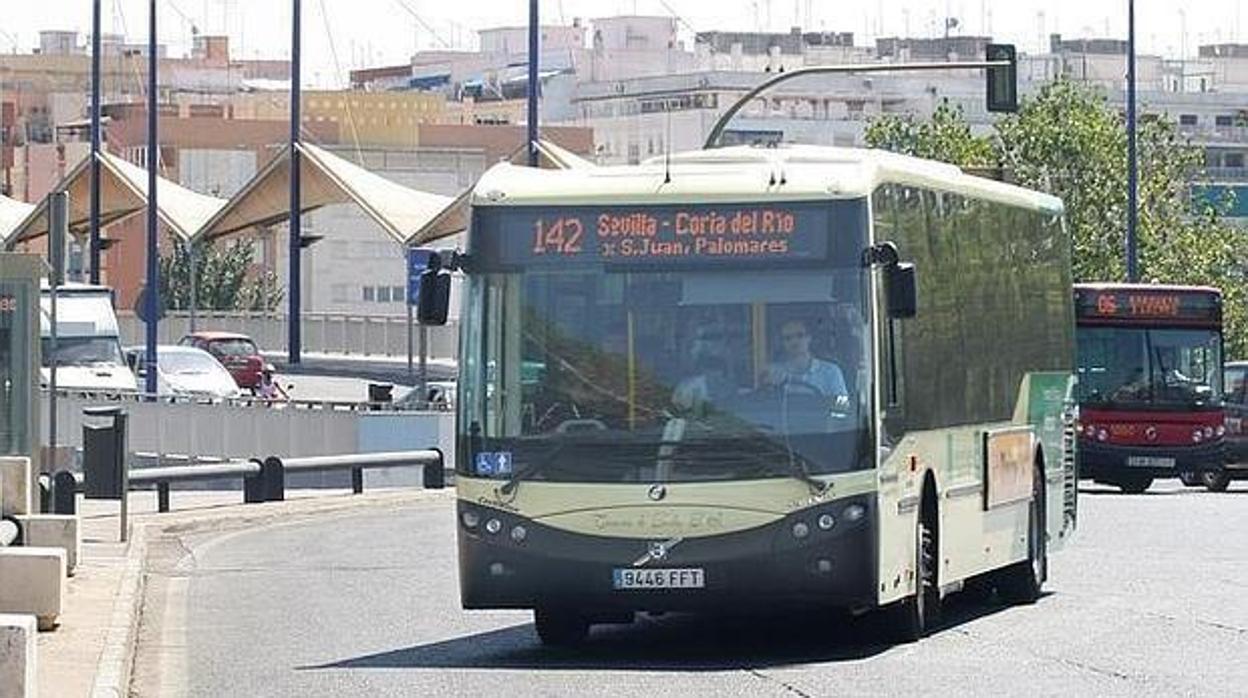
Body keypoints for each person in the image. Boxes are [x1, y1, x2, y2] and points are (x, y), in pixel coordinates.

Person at [764, 319, 848, 407]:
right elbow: (766, 407)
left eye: (800, 335)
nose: (794, 341)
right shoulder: (773, 371)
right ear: (782, 343)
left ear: (809, 337)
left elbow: (842, 409)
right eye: (788, 338)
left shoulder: (831, 371)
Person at [672, 321, 736, 414]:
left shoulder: (728, 387)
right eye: (712, 370)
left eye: (719, 371)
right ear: (704, 370)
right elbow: (678, 410)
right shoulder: (687, 387)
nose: (716, 375)